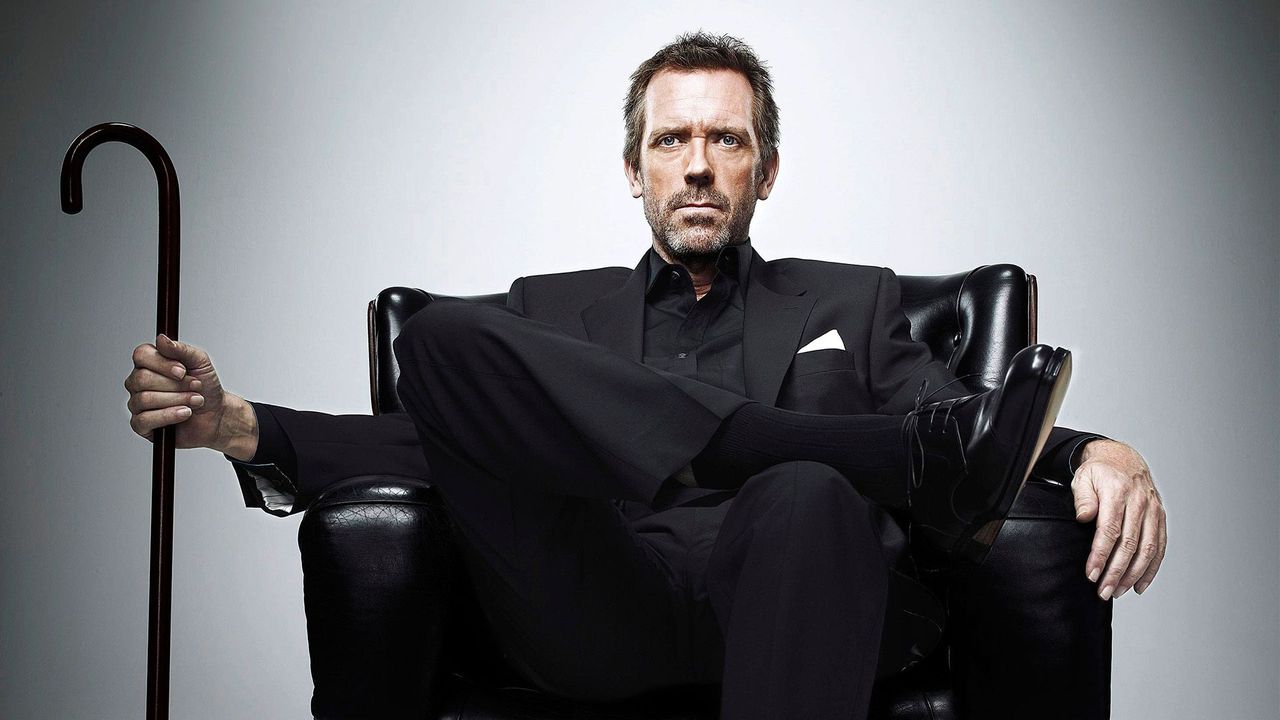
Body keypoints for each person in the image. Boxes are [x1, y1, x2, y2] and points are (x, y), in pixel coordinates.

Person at [123, 32, 1166, 720]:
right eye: (671, 140)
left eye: (726, 139)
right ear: (635, 169)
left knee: (806, 489)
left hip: (798, 596)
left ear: (764, 169)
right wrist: (238, 425)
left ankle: (801, 459)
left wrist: (1095, 449)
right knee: (435, 340)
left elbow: (965, 429)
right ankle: (814, 449)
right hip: (597, 602)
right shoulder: (547, 312)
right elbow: (424, 445)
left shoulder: (853, 303)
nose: (698, 163)